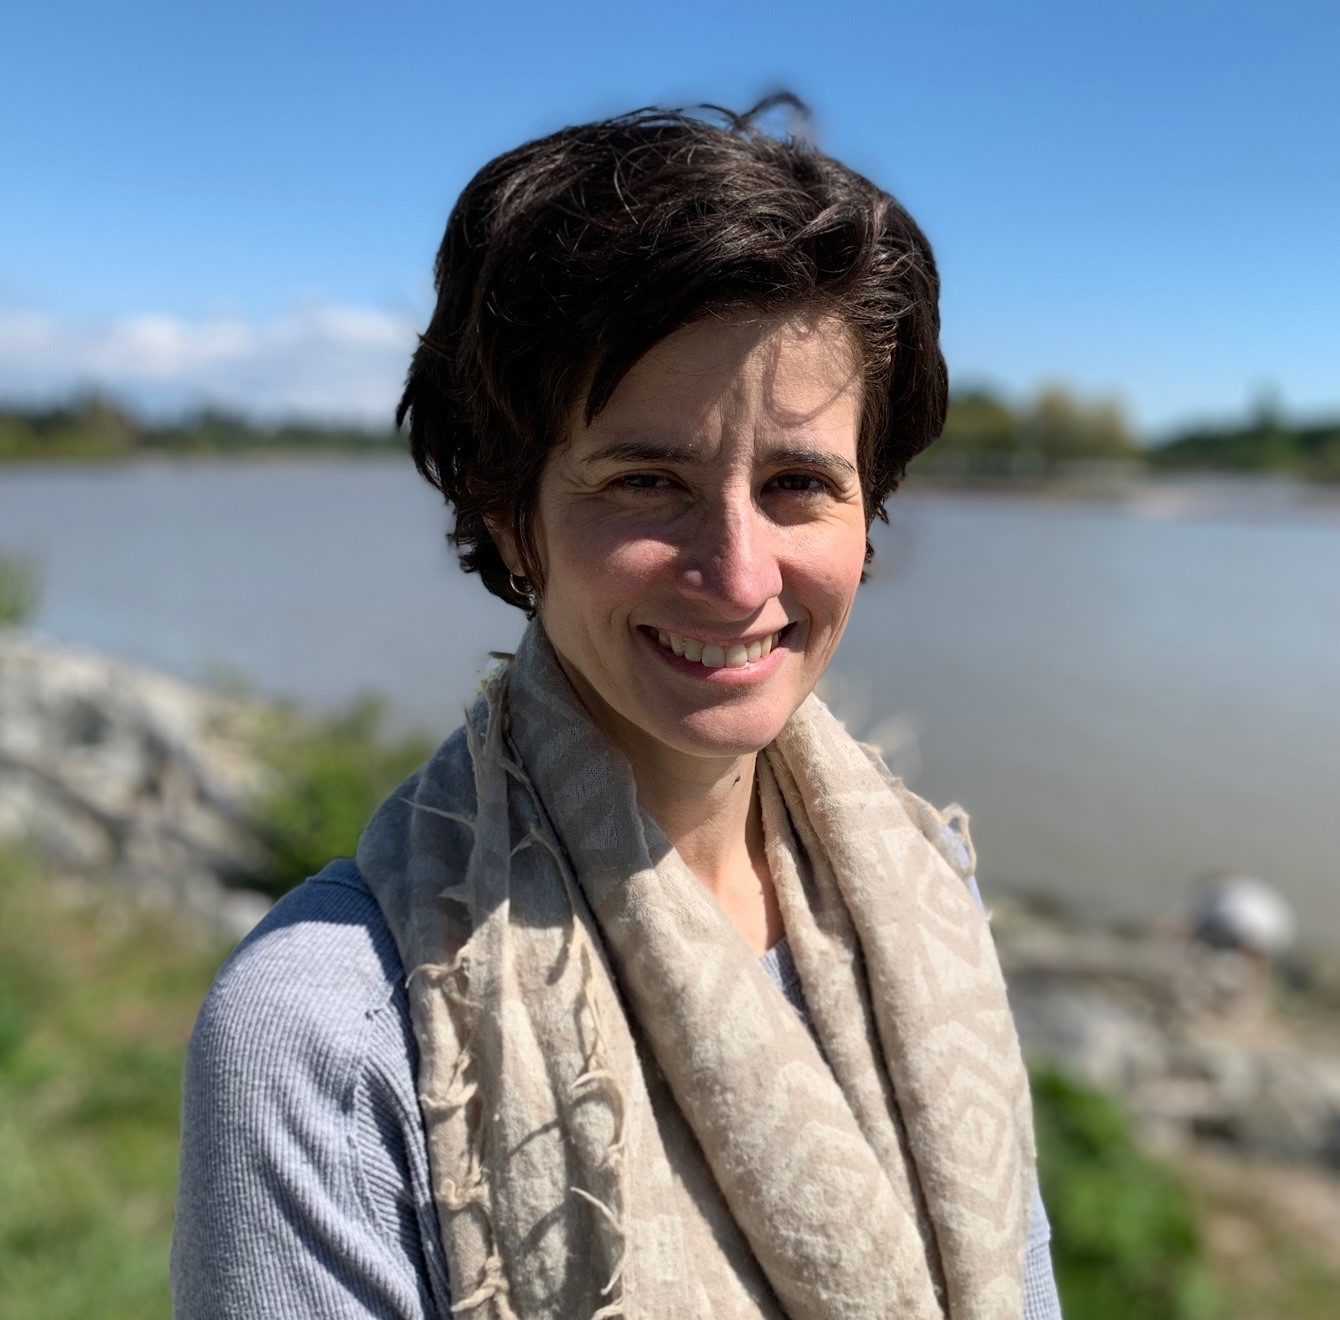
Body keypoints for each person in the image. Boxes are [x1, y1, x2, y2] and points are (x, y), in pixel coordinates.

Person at [172, 95, 1063, 1319]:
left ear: (869, 518)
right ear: (504, 509)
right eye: (647, 480)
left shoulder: (926, 889)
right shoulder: (332, 1034)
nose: (740, 575)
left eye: (801, 484)